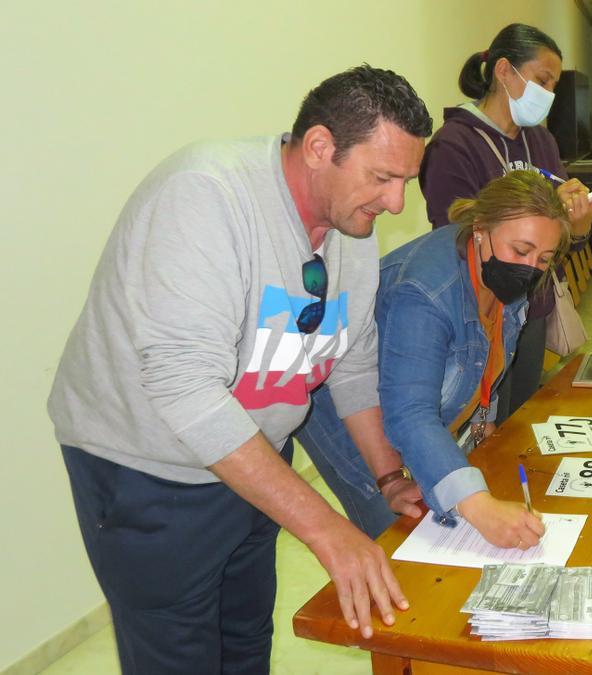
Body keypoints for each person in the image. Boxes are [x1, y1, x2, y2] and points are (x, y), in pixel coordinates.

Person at [47, 65, 433, 672]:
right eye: (383, 177)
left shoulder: (351, 223)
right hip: (149, 472)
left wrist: (389, 478)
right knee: (181, 657)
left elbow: (352, 361)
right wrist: (326, 529)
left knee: (246, 640)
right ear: (319, 147)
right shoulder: (205, 195)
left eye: (404, 180)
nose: (396, 202)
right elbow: (185, 390)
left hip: (253, 456)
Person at [299, 170, 567, 548]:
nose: (530, 266)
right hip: (357, 421)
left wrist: (481, 422)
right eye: (521, 251)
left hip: (413, 412)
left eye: (544, 258)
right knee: (401, 542)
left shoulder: (503, 270)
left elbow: (484, 356)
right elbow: (410, 413)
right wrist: (478, 505)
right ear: (479, 229)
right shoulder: (424, 292)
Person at [419, 23, 592, 424]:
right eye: (542, 80)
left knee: (519, 419)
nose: (549, 94)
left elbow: (556, 246)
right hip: (480, 315)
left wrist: (576, 225)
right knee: (482, 425)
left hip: (532, 307)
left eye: (553, 85)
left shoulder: (541, 142)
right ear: (504, 70)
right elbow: (453, 238)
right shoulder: (454, 146)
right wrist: (536, 216)